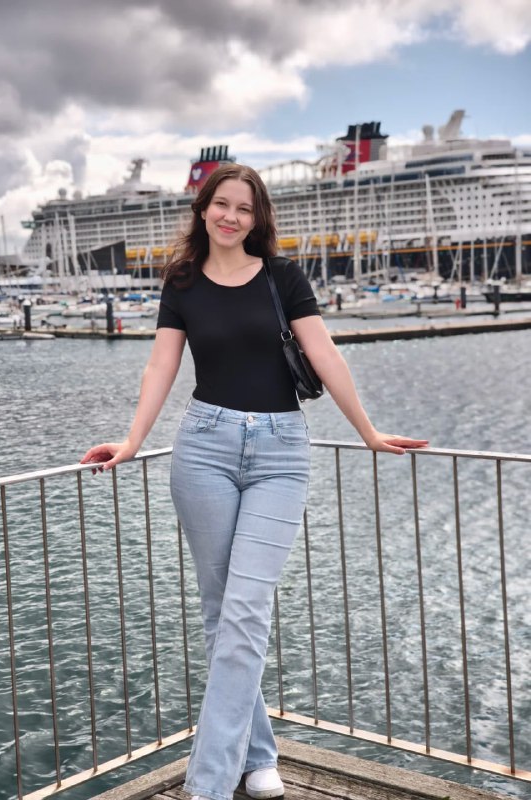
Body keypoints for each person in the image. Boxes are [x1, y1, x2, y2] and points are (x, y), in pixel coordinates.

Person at [80, 163, 428, 800]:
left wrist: (368, 431)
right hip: (203, 448)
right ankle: (259, 754)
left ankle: (207, 787)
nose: (231, 217)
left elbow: (323, 353)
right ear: (203, 208)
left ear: (256, 218)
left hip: (280, 453)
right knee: (223, 616)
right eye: (222, 204)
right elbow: (161, 365)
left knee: (245, 611)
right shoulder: (182, 281)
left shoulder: (282, 276)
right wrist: (133, 441)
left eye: (244, 208)